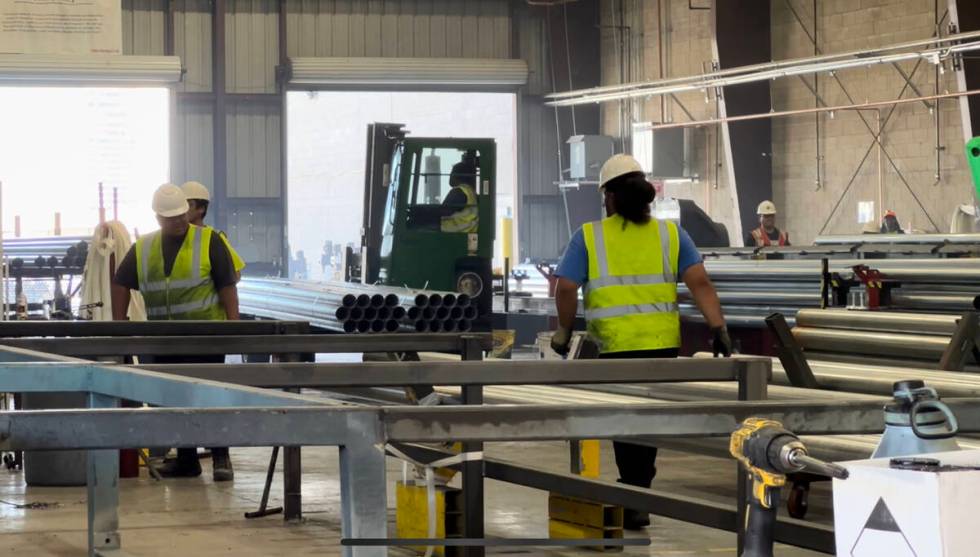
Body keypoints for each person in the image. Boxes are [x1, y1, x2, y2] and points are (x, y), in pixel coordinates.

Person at [550, 154, 731, 530]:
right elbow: (701, 283)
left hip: (614, 347)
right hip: (662, 345)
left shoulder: (588, 236)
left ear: (610, 197)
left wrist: (564, 332)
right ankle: (638, 491)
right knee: (649, 422)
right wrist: (718, 327)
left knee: (624, 422)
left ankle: (633, 494)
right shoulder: (671, 234)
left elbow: (566, 287)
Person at [111, 184, 240, 481]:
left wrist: (235, 327)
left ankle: (221, 458)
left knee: (211, 399)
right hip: (166, 339)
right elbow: (121, 281)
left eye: (182, 215)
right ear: (157, 218)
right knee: (175, 400)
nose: (179, 222)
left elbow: (227, 284)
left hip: (205, 338)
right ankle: (187, 460)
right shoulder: (144, 247)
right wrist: (119, 323)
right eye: (171, 218)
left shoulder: (209, 240)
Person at [180, 181, 246, 281]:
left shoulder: (215, 238)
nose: (183, 210)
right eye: (181, 205)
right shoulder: (173, 237)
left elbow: (235, 274)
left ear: (201, 209)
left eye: (189, 205)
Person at [440, 153, 479, 234]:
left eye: (452, 173)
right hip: (465, 229)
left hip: (452, 229)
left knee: (417, 225)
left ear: (458, 175)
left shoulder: (458, 192)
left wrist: (423, 211)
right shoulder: (470, 191)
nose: (450, 176)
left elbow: (442, 212)